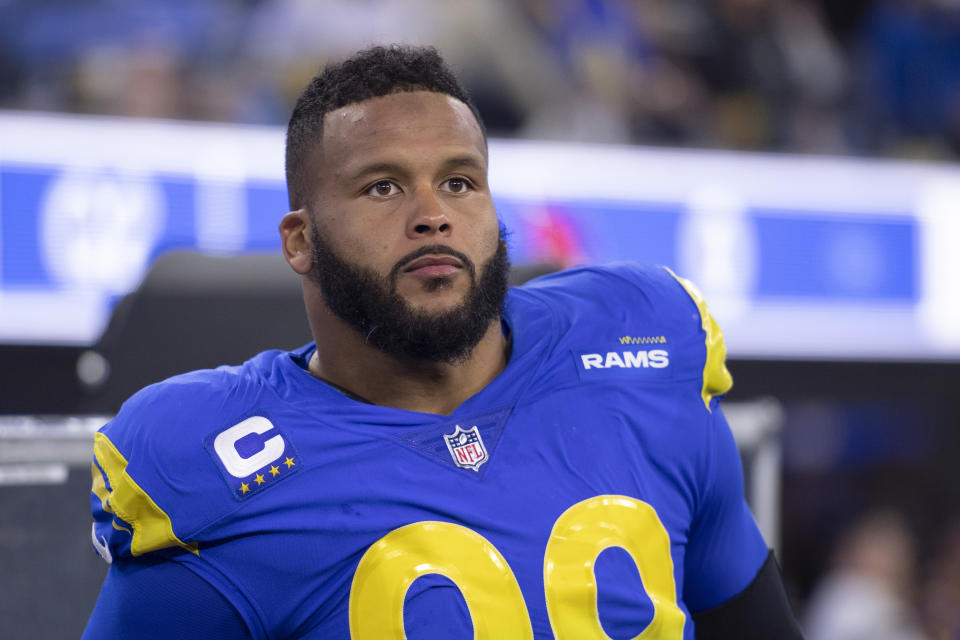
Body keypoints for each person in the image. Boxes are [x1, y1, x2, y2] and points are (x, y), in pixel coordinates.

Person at [83, 45, 803, 639]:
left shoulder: (642, 349)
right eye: (383, 188)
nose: (433, 215)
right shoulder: (214, 469)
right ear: (300, 240)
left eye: (460, 182)